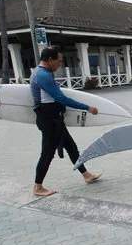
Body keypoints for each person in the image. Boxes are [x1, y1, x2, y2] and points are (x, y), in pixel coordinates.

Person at [30, 46, 102, 197]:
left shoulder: (41, 73)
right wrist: (87, 107)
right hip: (49, 121)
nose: (60, 64)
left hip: (54, 119)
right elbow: (61, 98)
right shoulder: (42, 75)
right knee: (47, 154)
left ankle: (86, 175)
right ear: (50, 60)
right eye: (59, 61)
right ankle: (37, 187)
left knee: (71, 146)